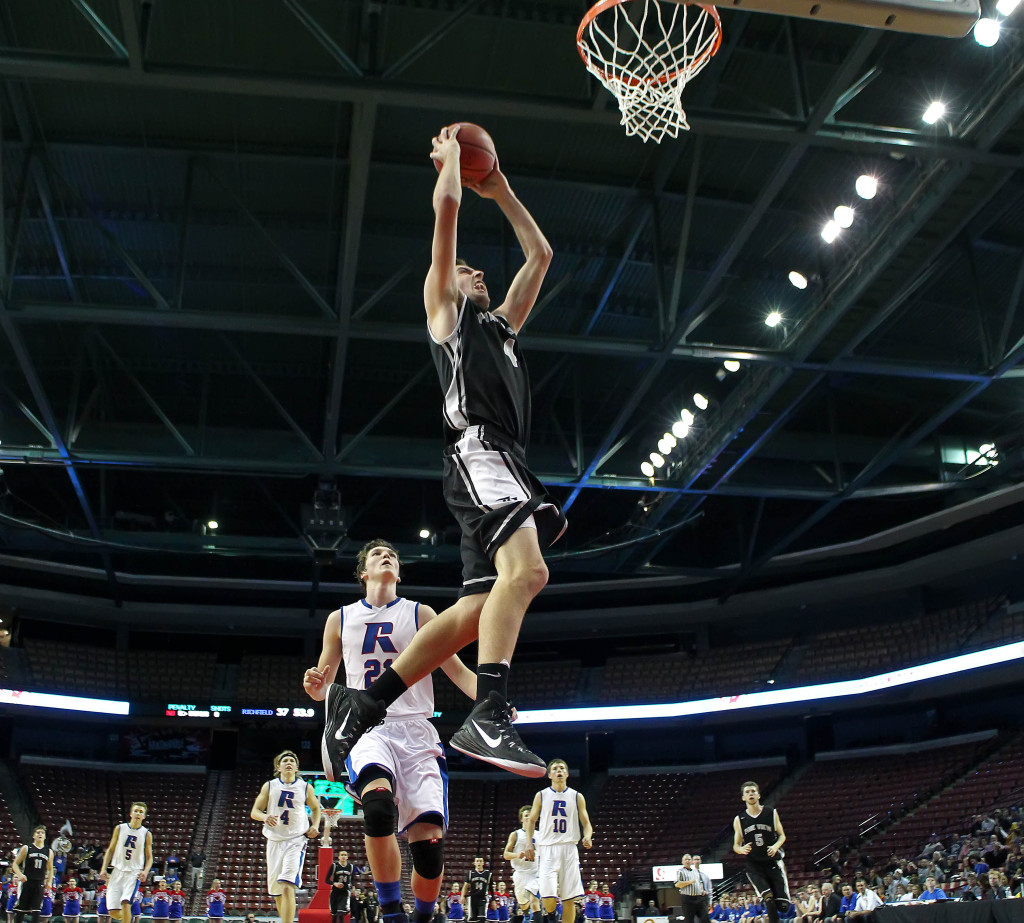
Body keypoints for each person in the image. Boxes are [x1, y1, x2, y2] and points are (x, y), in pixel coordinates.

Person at [321, 123, 562, 780]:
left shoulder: (502, 325)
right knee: (531, 573)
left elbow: (539, 254)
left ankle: (360, 705)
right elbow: (446, 216)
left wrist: (502, 188)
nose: (475, 270)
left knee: (476, 611)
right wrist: (453, 166)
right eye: (465, 269)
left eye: (477, 269)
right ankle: (490, 711)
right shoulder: (446, 317)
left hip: (499, 459)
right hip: (480, 452)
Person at [304, 541, 476, 923]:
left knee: (429, 846)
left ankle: (425, 916)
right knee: (378, 808)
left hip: (416, 729)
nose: (387, 557)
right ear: (363, 572)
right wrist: (315, 686)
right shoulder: (340, 619)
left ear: (399, 573)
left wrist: (494, 698)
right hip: (367, 728)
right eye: (378, 554)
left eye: (393, 556)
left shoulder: (420, 614)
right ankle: (392, 912)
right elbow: (324, 686)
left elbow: (459, 671)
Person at [249, 750, 322, 923]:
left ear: (297, 767)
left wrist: (315, 825)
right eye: (285, 761)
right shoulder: (269, 786)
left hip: (296, 840)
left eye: (292, 761)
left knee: (288, 886)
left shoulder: (305, 787)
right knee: (277, 892)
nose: (288, 763)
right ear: (278, 767)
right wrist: (265, 816)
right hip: (274, 840)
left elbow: (316, 808)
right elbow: (255, 811)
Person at [522, 759, 594, 923]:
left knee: (569, 899)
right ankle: (553, 915)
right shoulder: (541, 795)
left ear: (567, 774)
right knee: (548, 895)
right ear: (549, 775)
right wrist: (528, 843)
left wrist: (587, 835)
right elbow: (532, 820)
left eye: (562, 768)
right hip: (547, 848)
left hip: (569, 848)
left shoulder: (577, 796)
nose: (559, 770)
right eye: (555, 768)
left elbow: (587, 824)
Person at [732, 782, 791, 923]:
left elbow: (782, 835)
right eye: (747, 792)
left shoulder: (771, 813)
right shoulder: (739, 819)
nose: (750, 793)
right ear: (743, 797)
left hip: (772, 861)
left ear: (758, 795)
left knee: (783, 907)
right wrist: (741, 849)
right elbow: (736, 845)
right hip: (754, 864)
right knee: (768, 898)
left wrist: (776, 846)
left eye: (753, 791)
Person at [99, 802, 153, 923]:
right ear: (130, 813)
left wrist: (145, 871)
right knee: (112, 912)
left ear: (144, 816)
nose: (138, 813)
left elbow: (149, 857)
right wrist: (103, 868)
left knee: (125, 902)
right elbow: (111, 849)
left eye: (141, 812)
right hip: (117, 870)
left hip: (134, 873)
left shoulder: (146, 833)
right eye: (136, 811)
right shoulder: (120, 828)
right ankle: (129, 919)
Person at [503, 808, 541, 923]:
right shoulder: (515, 835)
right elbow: (506, 854)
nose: (528, 817)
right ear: (521, 819)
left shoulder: (540, 835)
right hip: (520, 873)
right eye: (526, 815)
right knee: (523, 904)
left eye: (531, 815)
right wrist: (517, 854)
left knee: (534, 902)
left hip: (535, 873)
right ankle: (526, 914)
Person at [11, 825, 54, 923]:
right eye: (38, 832)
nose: (40, 834)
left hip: (39, 883)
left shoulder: (49, 852)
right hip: (26, 882)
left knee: (36, 911)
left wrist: (50, 881)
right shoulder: (27, 848)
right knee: (21, 910)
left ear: (45, 836)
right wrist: (20, 874)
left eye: (42, 833)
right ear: (33, 836)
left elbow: (50, 869)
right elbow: (15, 864)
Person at [326, 850, 368, 923]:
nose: (343, 856)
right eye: (342, 855)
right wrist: (334, 883)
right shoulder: (334, 866)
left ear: (347, 857)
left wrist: (353, 887)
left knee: (341, 912)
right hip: (335, 892)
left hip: (345, 892)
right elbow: (326, 880)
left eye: (345, 855)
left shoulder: (351, 867)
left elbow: (352, 879)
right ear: (338, 857)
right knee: (334, 914)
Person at [675, 855, 710, 923]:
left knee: (705, 918)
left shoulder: (696, 871)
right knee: (689, 920)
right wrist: (689, 882)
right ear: (682, 862)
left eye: (689, 859)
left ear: (691, 861)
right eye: (686, 859)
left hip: (699, 898)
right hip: (688, 899)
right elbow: (677, 884)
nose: (687, 861)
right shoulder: (680, 871)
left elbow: (700, 882)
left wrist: (702, 890)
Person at [464, 859, 493, 923]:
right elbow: (465, 886)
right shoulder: (470, 873)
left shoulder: (488, 874)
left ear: (483, 863)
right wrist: (462, 896)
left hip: (483, 897)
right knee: (472, 919)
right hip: (472, 898)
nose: (479, 863)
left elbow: (491, 888)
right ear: (474, 863)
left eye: (480, 861)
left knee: (482, 918)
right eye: (477, 861)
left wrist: (493, 900)